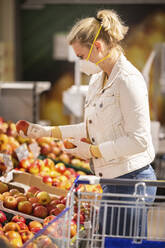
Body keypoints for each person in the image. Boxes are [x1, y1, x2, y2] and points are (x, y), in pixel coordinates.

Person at [17, 9, 157, 239]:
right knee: (110, 241)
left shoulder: (128, 81)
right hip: (111, 181)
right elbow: (90, 127)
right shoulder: (96, 79)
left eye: (81, 56)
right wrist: (46, 131)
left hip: (131, 182)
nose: (80, 63)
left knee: (119, 245)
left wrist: (94, 151)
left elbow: (139, 140)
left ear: (98, 47)